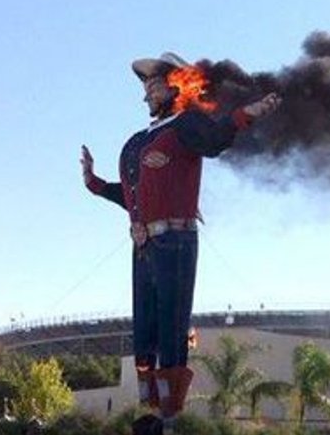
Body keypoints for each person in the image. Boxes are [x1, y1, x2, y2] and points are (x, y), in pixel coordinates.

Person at [81, 52, 279, 431]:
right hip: (142, 246)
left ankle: (169, 416)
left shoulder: (186, 125)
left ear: (176, 86)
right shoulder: (138, 141)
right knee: (145, 327)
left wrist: (248, 113)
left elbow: (217, 137)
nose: (146, 95)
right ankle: (149, 408)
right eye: (145, 88)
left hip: (175, 240)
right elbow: (132, 195)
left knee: (172, 324)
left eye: (154, 86)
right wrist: (94, 183)